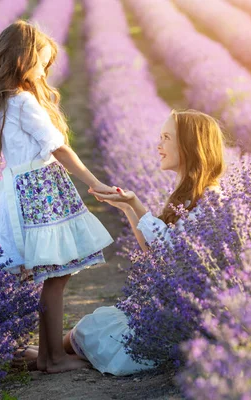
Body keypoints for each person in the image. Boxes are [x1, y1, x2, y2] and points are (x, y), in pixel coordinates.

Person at [0, 20, 116, 374]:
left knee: (54, 274)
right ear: (23, 60)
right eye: (42, 62)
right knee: (55, 276)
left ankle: (47, 354)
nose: (45, 71)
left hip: (27, 191)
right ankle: (52, 358)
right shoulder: (23, 102)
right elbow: (59, 147)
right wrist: (93, 181)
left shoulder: (5, 99)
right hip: (41, 192)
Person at [61, 109, 226, 376]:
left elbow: (170, 254)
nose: (158, 145)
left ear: (190, 145)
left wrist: (135, 203)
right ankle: (51, 356)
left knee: (90, 330)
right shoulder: (188, 194)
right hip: (170, 310)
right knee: (89, 327)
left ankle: (49, 358)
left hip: (182, 324)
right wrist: (128, 207)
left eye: (166, 138)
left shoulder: (211, 200)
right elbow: (154, 252)